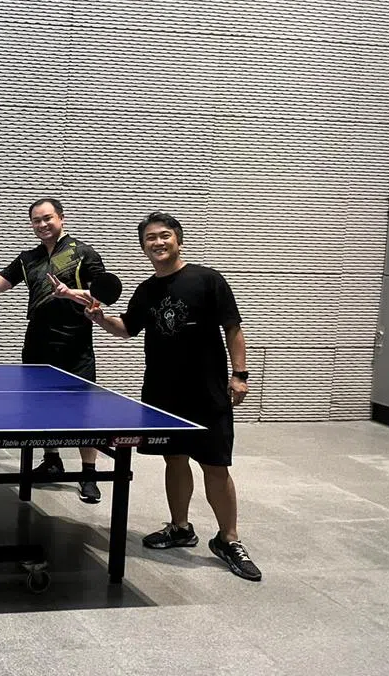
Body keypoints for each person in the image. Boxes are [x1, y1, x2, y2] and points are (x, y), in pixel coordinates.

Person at [85, 212, 261, 581]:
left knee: (215, 466)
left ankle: (228, 539)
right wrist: (99, 316)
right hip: (164, 394)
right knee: (174, 460)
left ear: (178, 239)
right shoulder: (146, 290)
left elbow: (233, 328)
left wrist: (240, 375)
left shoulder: (207, 280)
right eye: (150, 238)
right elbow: (126, 329)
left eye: (164, 236)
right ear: (143, 246)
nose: (158, 243)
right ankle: (180, 528)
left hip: (208, 392)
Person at [0, 198, 107, 503]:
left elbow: (102, 296)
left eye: (47, 218)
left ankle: (88, 473)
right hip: (37, 341)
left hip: (75, 342)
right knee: (40, 406)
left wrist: (72, 294)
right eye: (36, 220)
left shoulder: (83, 253)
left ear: (61, 219)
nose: (42, 225)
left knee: (83, 410)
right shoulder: (28, 258)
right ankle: (52, 459)